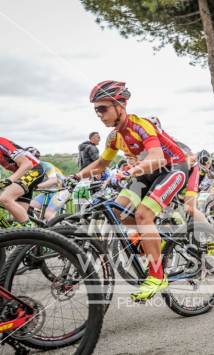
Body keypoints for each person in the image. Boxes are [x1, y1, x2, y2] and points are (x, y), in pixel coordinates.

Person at [68, 80, 188, 301]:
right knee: (119, 212)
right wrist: (74, 177)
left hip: (173, 168)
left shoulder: (140, 125)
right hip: (146, 172)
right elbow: (100, 165)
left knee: (143, 214)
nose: (100, 114)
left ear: (120, 106)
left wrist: (130, 171)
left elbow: (157, 157)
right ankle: (156, 235)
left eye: (103, 108)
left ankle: (157, 276)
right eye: (96, 111)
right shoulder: (114, 136)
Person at [25, 147, 69, 222]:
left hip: (61, 191)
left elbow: (53, 181)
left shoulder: (46, 165)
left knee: (48, 214)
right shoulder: (30, 168)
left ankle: (58, 231)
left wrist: (36, 186)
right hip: (47, 193)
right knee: (28, 208)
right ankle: (42, 229)